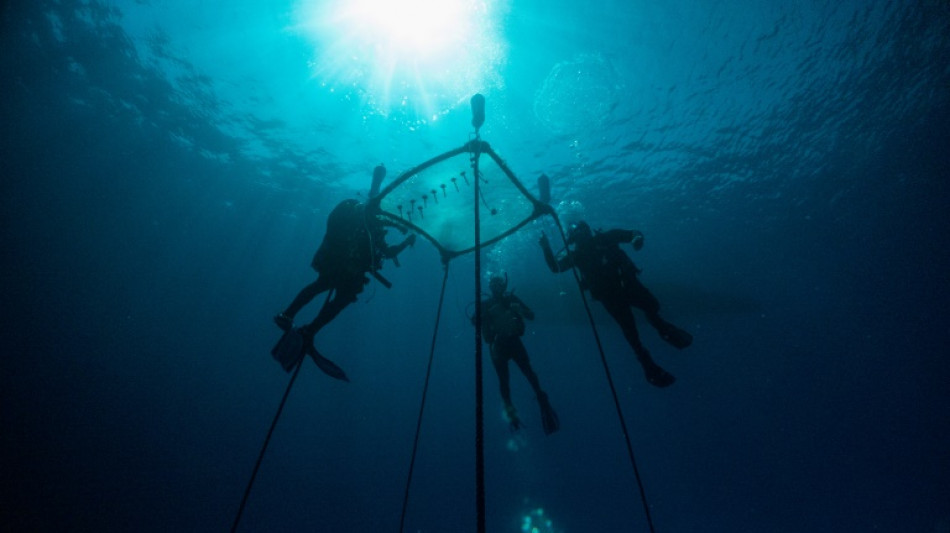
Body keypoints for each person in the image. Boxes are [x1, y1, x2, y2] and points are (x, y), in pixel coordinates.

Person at [272, 165, 416, 371]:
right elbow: (370, 206)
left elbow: (388, 252)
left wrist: (406, 242)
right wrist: (379, 185)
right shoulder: (365, 217)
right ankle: (288, 315)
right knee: (323, 285)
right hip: (339, 263)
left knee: (341, 298)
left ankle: (309, 329)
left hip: (352, 272)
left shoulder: (375, 234)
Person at [539, 221, 692, 388]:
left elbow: (633, 232)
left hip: (623, 288)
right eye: (578, 232)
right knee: (631, 326)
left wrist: (637, 239)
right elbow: (556, 267)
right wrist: (545, 247)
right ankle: (650, 350)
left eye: (582, 230)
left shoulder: (603, 239)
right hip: (615, 294)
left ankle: (661, 332)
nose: (582, 234)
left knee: (648, 311)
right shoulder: (581, 253)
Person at [477, 274, 559, 435]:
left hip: (507, 343)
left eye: (498, 285)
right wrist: (483, 316)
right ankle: (525, 406)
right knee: (514, 377)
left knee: (518, 375)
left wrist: (518, 308)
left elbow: (530, 315)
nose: (497, 288)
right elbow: (475, 320)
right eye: (494, 285)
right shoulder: (486, 304)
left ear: (503, 286)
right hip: (499, 344)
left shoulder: (508, 299)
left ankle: (531, 403)